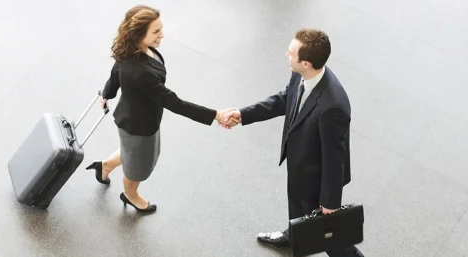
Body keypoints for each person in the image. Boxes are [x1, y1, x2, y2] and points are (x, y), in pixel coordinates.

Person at [220, 28, 363, 256]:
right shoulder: (302, 73)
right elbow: (284, 99)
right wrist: (243, 114)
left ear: (306, 63)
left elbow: (335, 159)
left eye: (290, 53)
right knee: (297, 208)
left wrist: (329, 202)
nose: (286, 55)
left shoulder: (333, 106)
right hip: (300, 165)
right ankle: (292, 235)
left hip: (317, 180)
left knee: (331, 238)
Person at [84, 5, 236, 213]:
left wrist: (107, 94)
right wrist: (216, 115)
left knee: (133, 153)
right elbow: (174, 102)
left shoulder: (131, 51)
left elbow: (115, 73)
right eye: (155, 32)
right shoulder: (140, 72)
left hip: (139, 119)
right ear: (139, 34)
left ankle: (105, 166)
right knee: (137, 166)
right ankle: (130, 195)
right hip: (138, 126)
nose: (161, 36)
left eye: (160, 29)